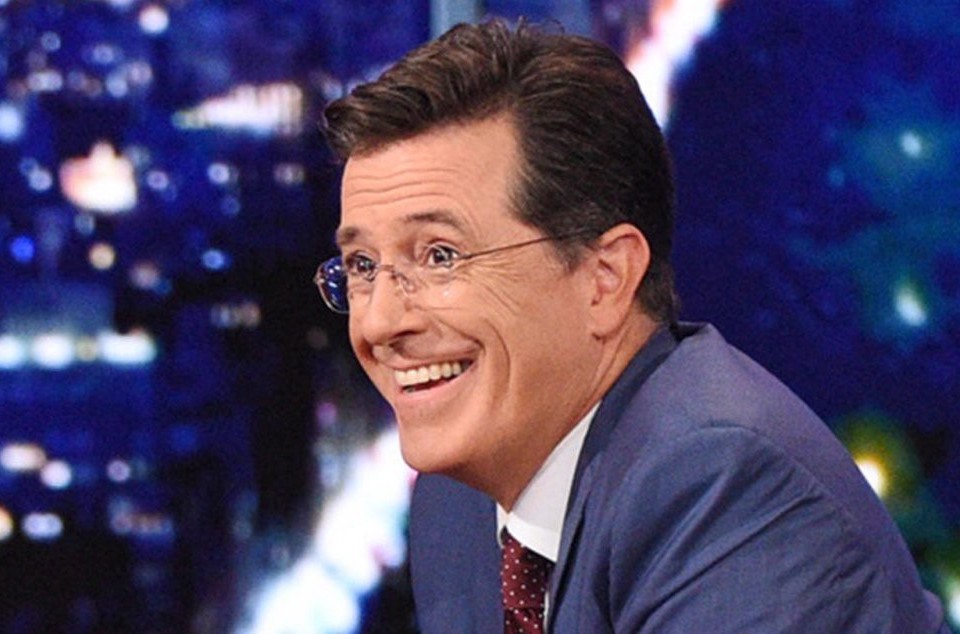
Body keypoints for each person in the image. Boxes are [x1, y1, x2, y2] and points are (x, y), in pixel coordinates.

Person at [315, 19, 950, 633]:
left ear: (605, 278)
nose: (380, 321)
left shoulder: (725, 485)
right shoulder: (456, 504)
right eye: (363, 265)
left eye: (440, 256)